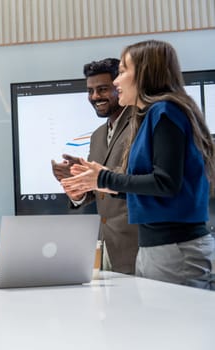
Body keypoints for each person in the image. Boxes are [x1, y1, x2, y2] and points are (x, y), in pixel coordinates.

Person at [61, 40, 215, 289]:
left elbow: (166, 182)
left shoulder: (165, 112)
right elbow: (148, 184)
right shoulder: (154, 115)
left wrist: (103, 178)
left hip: (174, 248)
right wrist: (98, 178)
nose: (117, 81)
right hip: (157, 246)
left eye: (122, 72)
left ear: (144, 73)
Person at [51, 58, 138, 274]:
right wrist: (75, 185)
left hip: (139, 243)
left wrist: (96, 177)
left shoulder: (141, 122)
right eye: (90, 91)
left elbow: (138, 180)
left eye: (102, 89)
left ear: (119, 86)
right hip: (107, 245)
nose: (95, 97)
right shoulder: (98, 135)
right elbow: (98, 192)